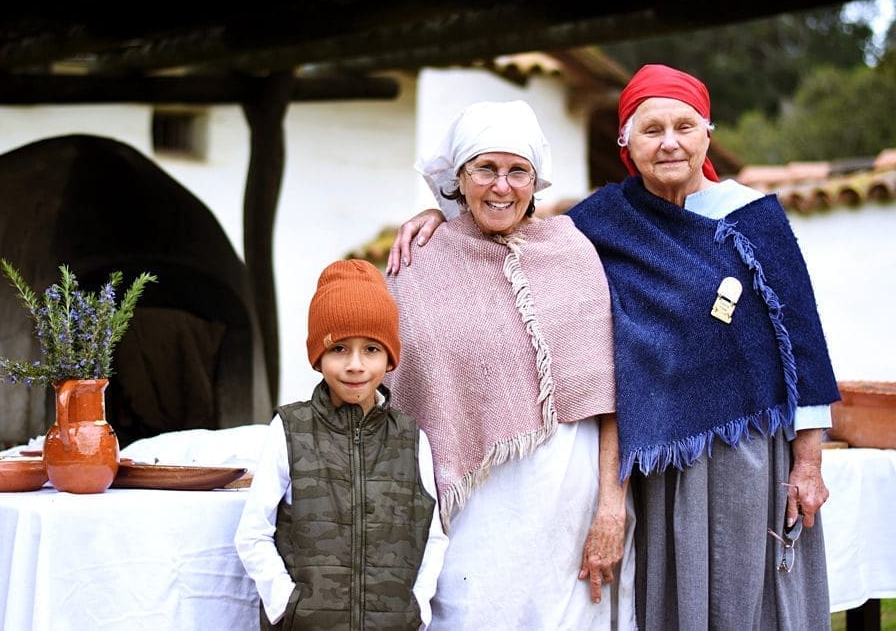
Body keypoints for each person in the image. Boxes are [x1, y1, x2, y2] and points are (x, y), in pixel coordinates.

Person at [388, 66, 840, 630]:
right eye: (652, 130)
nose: (670, 142)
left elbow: (804, 344)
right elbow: (514, 223)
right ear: (626, 143)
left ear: (707, 133)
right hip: (652, 459)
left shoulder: (752, 217)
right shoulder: (603, 220)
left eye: (684, 126)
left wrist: (809, 461)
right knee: (666, 600)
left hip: (741, 452)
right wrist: (439, 214)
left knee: (745, 594)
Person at [384, 99, 636, 629]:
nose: (502, 186)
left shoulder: (573, 248)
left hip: (576, 503)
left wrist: (613, 507)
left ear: (536, 178)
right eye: (485, 169)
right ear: (458, 177)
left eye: (517, 170)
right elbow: (399, 394)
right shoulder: (421, 263)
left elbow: (611, 394)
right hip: (478, 513)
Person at [234, 259, 448, 630]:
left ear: (390, 356)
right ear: (318, 356)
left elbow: (433, 535)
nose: (355, 365)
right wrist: (289, 607)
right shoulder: (289, 429)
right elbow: (252, 533)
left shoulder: (412, 438)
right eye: (339, 349)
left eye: (371, 349)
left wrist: (417, 607)